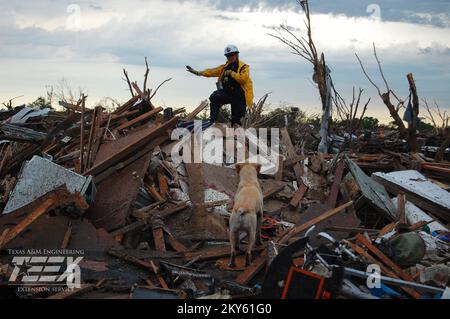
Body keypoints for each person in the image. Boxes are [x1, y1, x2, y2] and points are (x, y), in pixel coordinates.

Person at [186, 45, 254, 128]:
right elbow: (211, 71)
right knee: (214, 96)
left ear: (236, 55)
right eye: (228, 56)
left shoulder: (244, 67)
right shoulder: (224, 67)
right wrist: (197, 72)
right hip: (229, 93)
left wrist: (231, 73)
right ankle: (212, 122)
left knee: (236, 121)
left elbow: (243, 79)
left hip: (241, 96)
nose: (230, 57)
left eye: (232, 55)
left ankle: (236, 134)